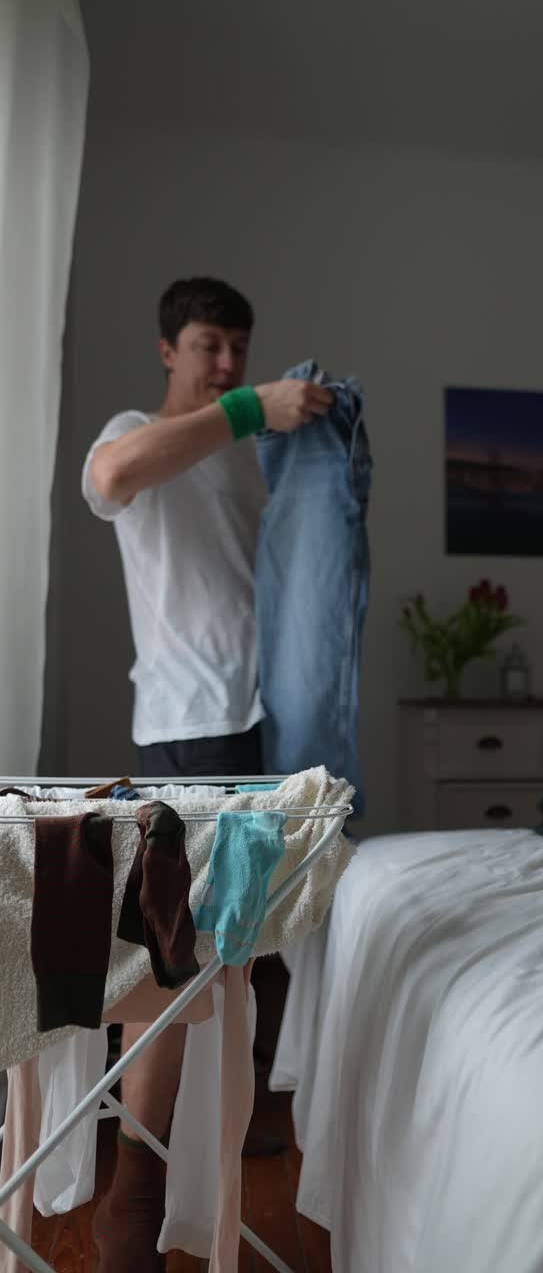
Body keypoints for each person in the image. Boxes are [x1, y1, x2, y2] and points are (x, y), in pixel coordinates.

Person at [81, 276, 333, 1271]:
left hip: (268, 730)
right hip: (188, 735)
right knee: (169, 967)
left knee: (249, 951)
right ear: (167, 349)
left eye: (238, 348)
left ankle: (229, 1141)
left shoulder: (241, 459)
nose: (225, 362)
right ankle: (132, 1206)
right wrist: (247, 408)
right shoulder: (141, 427)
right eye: (208, 344)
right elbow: (109, 475)